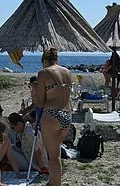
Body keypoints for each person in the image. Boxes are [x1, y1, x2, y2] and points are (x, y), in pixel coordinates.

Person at [31, 48, 73, 186]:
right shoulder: (67, 72)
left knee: (53, 156)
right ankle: (53, 182)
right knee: (57, 154)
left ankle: (57, 184)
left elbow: (40, 101)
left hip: (51, 115)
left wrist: (35, 92)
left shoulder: (43, 73)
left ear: (44, 60)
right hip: (66, 116)